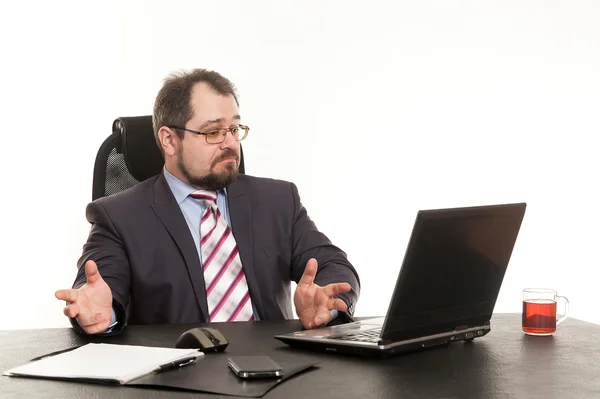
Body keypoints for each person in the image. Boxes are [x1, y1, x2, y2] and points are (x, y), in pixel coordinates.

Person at [55, 69, 360, 335]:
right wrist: (103, 314)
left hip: (274, 373)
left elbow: (333, 265)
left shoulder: (278, 201)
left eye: (234, 129)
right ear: (169, 140)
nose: (229, 143)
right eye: (213, 132)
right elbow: (99, 287)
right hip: (176, 379)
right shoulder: (118, 217)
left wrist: (328, 303)